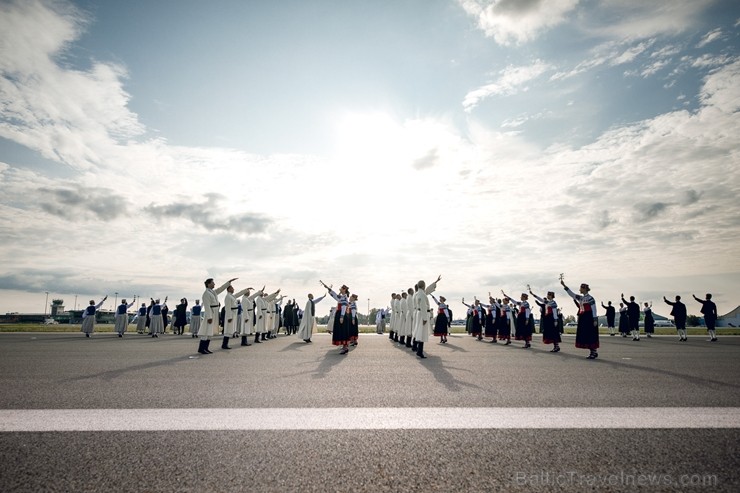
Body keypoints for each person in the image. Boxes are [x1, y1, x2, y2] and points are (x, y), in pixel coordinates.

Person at [561, 279, 599, 359]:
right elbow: (572, 294)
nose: (580, 290)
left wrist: (595, 319)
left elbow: (594, 309)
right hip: (583, 318)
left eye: (581, 288)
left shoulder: (590, 298)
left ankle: (593, 351)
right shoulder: (581, 298)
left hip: (589, 318)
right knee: (585, 334)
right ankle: (592, 351)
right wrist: (564, 286)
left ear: (584, 289)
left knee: (590, 334)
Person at [198, 277, 236, 354]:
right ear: (208, 284)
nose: (214, 284)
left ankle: (206, 348)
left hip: (214, 312)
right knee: (206, 330)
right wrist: (209, 317)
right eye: (213, 282)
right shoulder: (206, 293)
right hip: (211, 313)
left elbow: (221, 289)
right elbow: (207, 306)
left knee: (210, 331)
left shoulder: (213, 292)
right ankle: (202, 348)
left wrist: (228, 282)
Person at [321, 280, 352, 354]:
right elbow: (335, 295)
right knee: (342, 330)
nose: (340, 289)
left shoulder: (344, 297)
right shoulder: (342, 297)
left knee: (343, 330)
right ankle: (345, 346)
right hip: (341, 314)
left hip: (342, 314)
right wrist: (328, 289)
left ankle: (345, 347)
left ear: (344, 289)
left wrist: (341, 316)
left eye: (341, 288)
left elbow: (344, 307)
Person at [411, 279, 433, 358]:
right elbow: (423, 306)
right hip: (422, 314)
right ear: (423, 285)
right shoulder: (422, 294)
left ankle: (418, 349)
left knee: (419, 332)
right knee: (422, 333)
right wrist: (424, 318)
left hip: (419, 313)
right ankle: (420, 351)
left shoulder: (417, 293)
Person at [221, 285, 239, 349]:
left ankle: (225, 344)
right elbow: (228, 308)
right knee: (228, 330)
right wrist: (229, 316)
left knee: (230, 329)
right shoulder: (228, 297)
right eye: (232, 288)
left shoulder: (231, 296)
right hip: (230, 314)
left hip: (233, 313)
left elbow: (239, 294)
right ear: (228, 289)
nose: (233, 289)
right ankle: (224, 344)